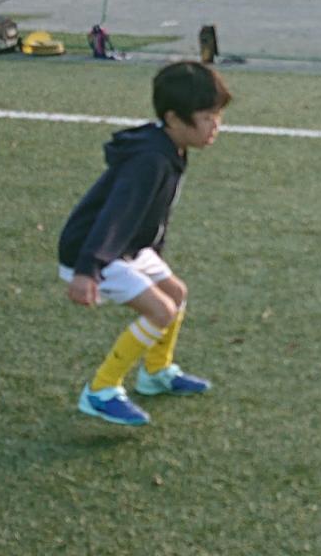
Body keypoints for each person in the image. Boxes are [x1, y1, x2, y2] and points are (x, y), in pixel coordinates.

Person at [59, 61, 232, 426]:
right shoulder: (150, 160)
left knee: (176, 293)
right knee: (161, 311)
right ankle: (101, 390)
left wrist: (154, 252)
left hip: (129, 248)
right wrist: (87, 270)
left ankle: (155, 372)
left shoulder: (170, 148)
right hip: (94, 250)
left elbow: (153, 213)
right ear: (173, 118)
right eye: (206, 117)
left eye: (217, 115)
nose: (215, 125)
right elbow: (115, 215)